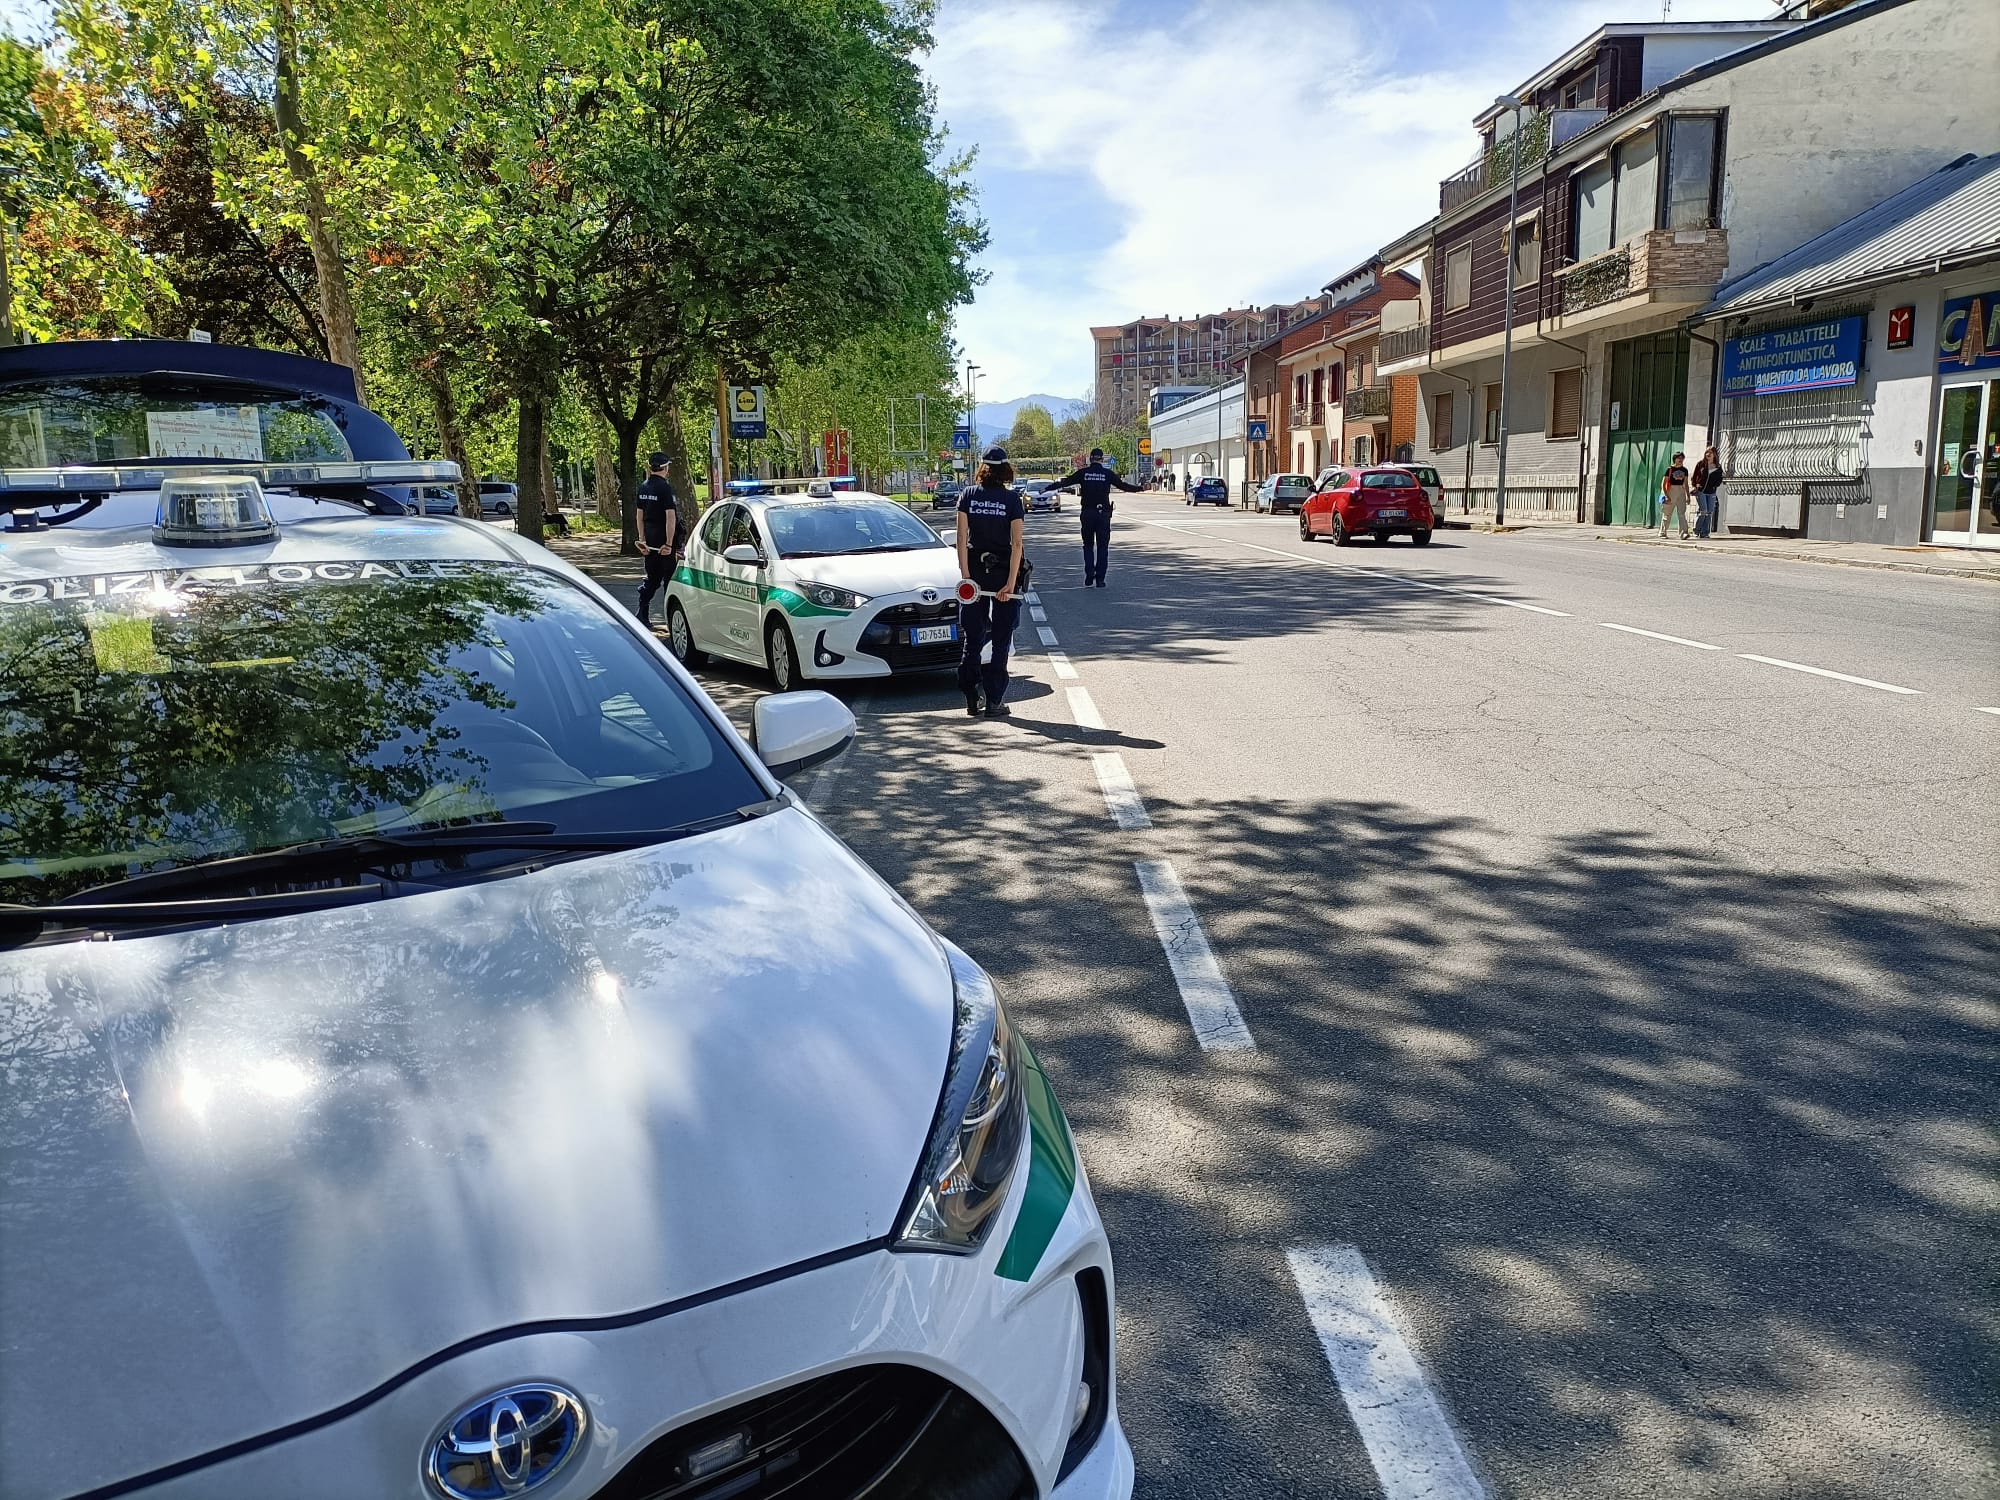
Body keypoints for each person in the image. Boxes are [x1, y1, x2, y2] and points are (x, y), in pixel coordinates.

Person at [956, 446, 1025, 718]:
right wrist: (1010, 582)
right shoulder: (1012, 499)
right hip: (1002, 572)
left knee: (972, 639)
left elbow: (961, 539)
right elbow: (1017, 543)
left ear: (982, 467)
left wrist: (966, 576)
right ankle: (994, 700)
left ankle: (971, 697)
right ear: (1006, 468)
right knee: (1000, 639)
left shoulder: (968, 495)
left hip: (973, 573)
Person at [1044, 447, 1142, 587]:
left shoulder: (1083, 473)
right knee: (1103, 547)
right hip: (1103, 515)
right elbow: (1124, 486)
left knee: (1088, 546)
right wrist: (1141, 488)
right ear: (1101, 460)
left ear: (1090, 459)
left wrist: (1047, 488)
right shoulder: (1107, 474)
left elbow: (1065, 482)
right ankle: (1100, 579)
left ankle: (1089, 575)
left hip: (1087, 514)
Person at [635, 452, 679, 623]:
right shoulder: (665, 489)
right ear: (664, 468)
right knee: (670, 582)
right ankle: (672, 619)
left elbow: (639, 516)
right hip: (664, 543)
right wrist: (668, 543)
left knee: (652, 580)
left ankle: (642, 612)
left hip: (649, 542)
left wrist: (642, 541)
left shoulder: (643, 487)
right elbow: (670, 517)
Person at [1691, 445, 1724, 539]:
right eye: (1707, 452)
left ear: (1714, 454)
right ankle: (1696, 531)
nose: (1708, 454)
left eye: (1710, 452)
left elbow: (1720, 479)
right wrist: (1695, 484)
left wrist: (1715, 485)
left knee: (1709, 512)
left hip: (1711, 492)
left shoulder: (1718, 467)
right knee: (1703, 511)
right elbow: (1694, 476)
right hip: (1701, 491)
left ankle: (1705, 533)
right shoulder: (1700, 464)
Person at [1659, 451, 1692, 540]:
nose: (1680, 460)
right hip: (1670, 490)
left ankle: (1683, 533)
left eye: (1682, 458)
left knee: (1681, 513)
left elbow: (1686, 484)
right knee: (1667, 513)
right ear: (1675, 459)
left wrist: (1688, 496)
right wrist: (1666, 495)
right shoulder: (1670, 469)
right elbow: (1664, 483)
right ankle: (1663, 532)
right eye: (1678, 458)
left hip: (1681, 491)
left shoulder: (1685, 470)